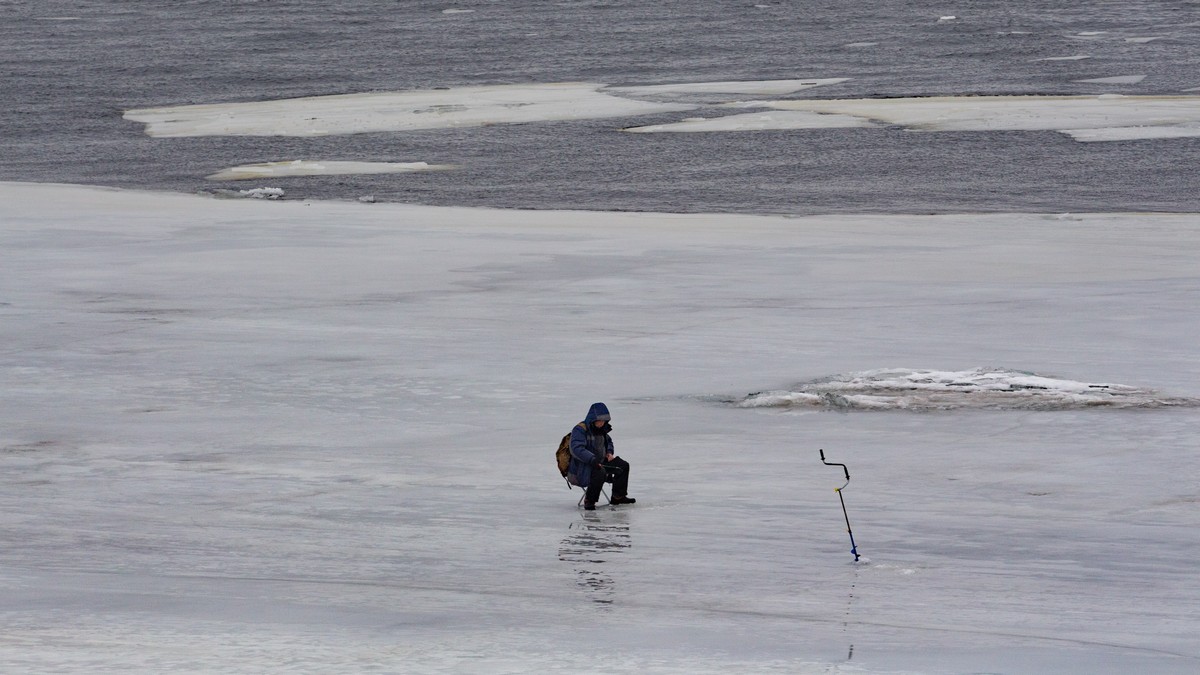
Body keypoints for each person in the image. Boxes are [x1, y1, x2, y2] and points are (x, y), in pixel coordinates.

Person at [568, 402, 635, 510]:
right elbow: (576, 449)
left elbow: (609, 442)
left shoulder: (602, 430)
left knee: (623, 466)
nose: (602, 423)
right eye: (600, 420)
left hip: (600, 461)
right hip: (583, 467)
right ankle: (589, 500)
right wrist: (592, 459)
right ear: (593, 419)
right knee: (599, 470)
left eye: (604, 421)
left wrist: (609, 452)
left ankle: (618, 496)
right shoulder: (580, 430)